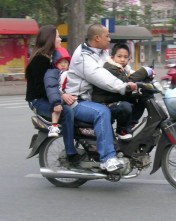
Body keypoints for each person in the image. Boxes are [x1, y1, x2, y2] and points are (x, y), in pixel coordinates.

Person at [65, 24, 137, 172]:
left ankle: (121, 136)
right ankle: (107, 159)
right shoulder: (83, 56)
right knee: (102, 112)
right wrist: (123, 87)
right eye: (107, 36)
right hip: (78, 101)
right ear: (97, 38)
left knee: (131, 102)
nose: (109, 39)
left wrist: (138, 75)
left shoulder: (101, 52)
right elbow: (101, 76)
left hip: (92, 98)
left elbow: (116, 66)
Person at [25, 25, 81, 166]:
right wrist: (61, 97)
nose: (60, 39)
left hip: (48, 97)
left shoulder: (51, 57)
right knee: (67, 112)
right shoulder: (40, 60)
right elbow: (43, 88)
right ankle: (70, 153)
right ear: (49, 39)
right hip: (38, 101)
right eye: (57, 36)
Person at [92, 43, 154, 139]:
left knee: (142, 98)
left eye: (125, 57)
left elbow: (132, 76)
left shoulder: (125, 69)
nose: (122, 59)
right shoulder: (110, 67)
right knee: (125, 106)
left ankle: (131, 123)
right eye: (119, 56)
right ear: (112, 57)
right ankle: (122, 130)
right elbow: (126, 82)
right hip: (104, 102)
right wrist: (145, 71)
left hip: (115, 97)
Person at [44, 47, 71, 137]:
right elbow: (52, 86)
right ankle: (54, 125)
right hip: (59, 95)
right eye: (60, 62)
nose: (63, 65)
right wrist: (57, 100)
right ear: (55, 63)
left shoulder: (70, 72)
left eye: (65, 62)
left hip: (69, 95)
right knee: (57, 109)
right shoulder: (54, 73)